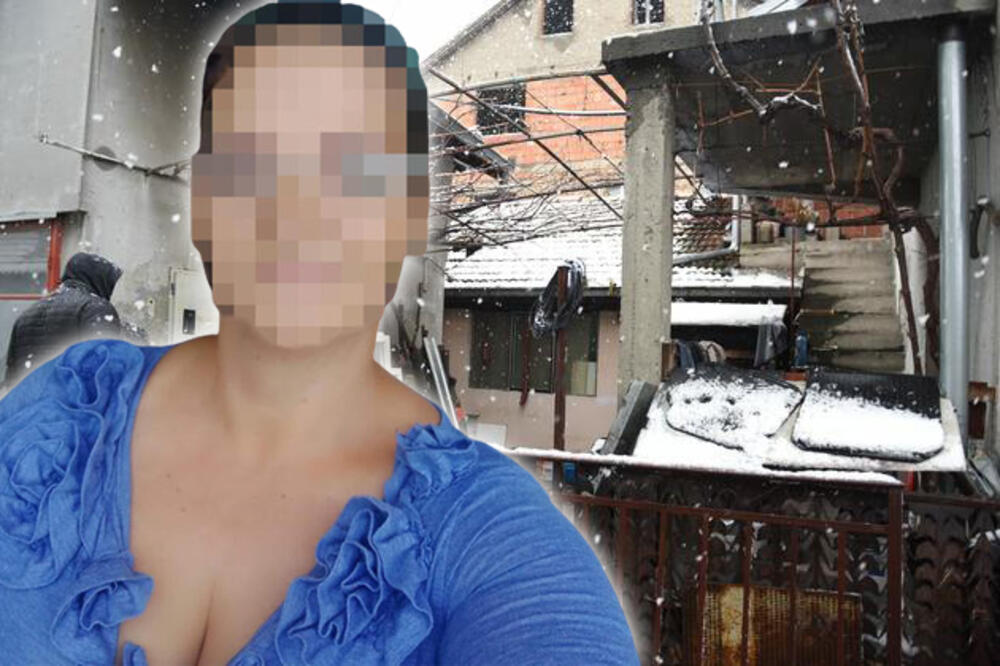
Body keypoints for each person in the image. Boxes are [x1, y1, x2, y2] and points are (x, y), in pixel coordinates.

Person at [0, 2, 640, 665]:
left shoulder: (492, 541)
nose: (298, 207)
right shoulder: (62, 419)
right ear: (203, 200)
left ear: (409, 211)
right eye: (255, 158)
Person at [2, 251, 139, 388]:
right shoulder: (96, 308)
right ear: (99, 280)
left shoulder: (26, 315)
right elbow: (106, 368)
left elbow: (11, 378)